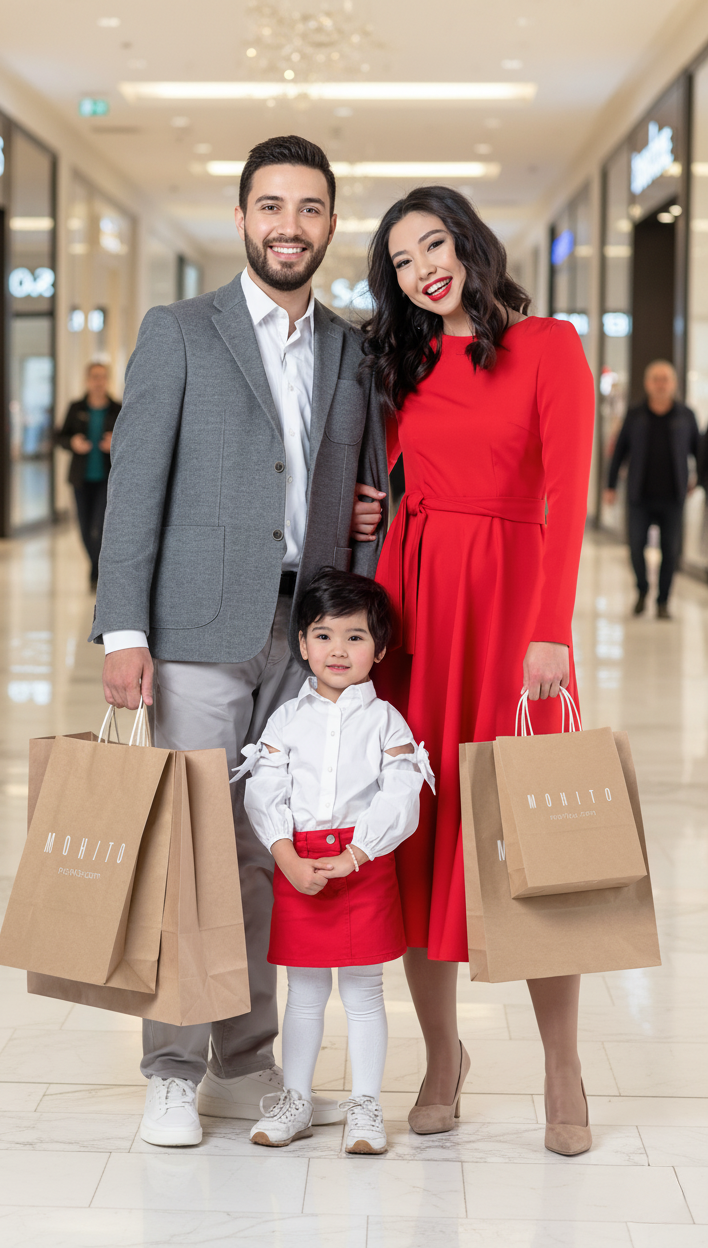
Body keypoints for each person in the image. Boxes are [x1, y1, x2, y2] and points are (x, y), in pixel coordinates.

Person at [91, 135, 387, 1148]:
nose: (288, 227)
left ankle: (248, 1057)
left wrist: (370, 520)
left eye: (308, 209)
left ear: (330, 225)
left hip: (303, 636)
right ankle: (172, 1067)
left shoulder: (349, 349)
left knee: (267, 846)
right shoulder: (181, 330)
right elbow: (133, 490)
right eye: (271, 207)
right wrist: (123, 629)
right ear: (242, 219)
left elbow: (359, 488)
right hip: (193, 630)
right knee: (189, 847)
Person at [358, 186, 595, 1156]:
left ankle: (561, 1064)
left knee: (530, 838)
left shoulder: (548, 345)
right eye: (404, 261)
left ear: (469, 244)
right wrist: (371, 533)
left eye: (435, 244)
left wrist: (549, 628)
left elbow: (570, 492)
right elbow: (390, 489)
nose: (425, 268)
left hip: (511, 613)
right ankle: (441, 1054)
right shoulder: (400, 364)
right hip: (417, 616)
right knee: (418, 834)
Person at [234, 569, 434, 1154]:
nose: (338, 651)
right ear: (301, 644)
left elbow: (402, 795)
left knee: (365, 990)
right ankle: (296, 1099)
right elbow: (263, 788)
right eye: (323, 636)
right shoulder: (286, 720)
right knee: (305, 991)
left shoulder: (386, 722)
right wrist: (284, 854)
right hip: (298, 863)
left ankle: (366, 1107)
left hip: (364, 865)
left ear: (381, 647)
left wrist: (357, 853)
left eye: (355, 637)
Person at [603, 360, 701, 619]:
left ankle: (663, 601)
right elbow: (620, 452)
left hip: (673, 497)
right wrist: (610, 485)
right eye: (655, 379)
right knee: (636, 547)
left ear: (674, 383)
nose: (660, 384)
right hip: (639, 496)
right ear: (647, 384)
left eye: (665, 379)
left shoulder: (686, 416)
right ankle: (642, 589)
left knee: (670, 551)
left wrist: (698, 480)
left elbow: (700, 453)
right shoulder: (635, 415)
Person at [56, 362, 121, 589]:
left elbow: (132, 441)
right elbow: (61, 437)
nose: (98, 381)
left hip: (106, 478)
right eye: (94, 377)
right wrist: (72, 442)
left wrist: (115, 442)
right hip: (81, 478)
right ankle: (95, 566)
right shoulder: (76, 407)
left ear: (108, 380)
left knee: (100, 525)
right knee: (84, 528)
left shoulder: (117, 408)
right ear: (87, 380)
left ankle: (97, 572)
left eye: (102, 377)